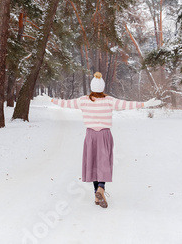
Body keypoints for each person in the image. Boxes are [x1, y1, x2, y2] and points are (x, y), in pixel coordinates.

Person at [49, 72, 161, 208]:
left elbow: (66, 104)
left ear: (91, 87)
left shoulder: (83, 100)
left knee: (93, 163)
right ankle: (101, 189)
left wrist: (50, 100)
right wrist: (144, 104)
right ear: (102, 87)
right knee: (103, 163)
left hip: (90, 135)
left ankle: (97, 195)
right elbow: (126, 105)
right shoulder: (109, 100)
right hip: (104, 135)